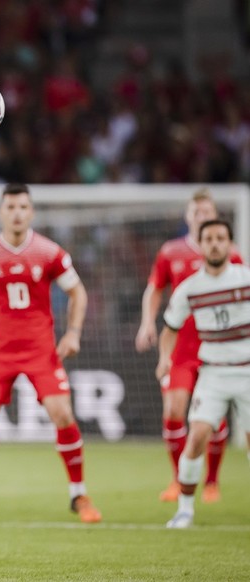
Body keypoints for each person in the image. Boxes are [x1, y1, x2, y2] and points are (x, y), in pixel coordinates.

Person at [0, 183, 102, 525]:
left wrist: (73, 333)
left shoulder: (49, 252)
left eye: (23, 207)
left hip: (40, 349)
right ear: (1, 212)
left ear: (31, 212)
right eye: (11, 207)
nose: (17, 213)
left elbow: (78, 292)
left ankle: (79, 494)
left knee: (62, 413)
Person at [135, 190, 241, 503]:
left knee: (215, 420)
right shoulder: (171, 252)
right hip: (180, 349)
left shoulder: (231, 254)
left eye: (207, 212)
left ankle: (211, 482)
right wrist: (146, 323)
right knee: (173, 412)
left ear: (215, 215)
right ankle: (178, 480)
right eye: (196, 213)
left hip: (216, 348)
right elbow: (154, 290)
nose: (202, 217)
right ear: (188, 217)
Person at [157, 219, 250, 528]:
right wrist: (164, 359)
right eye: (208, 238)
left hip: (247, 371)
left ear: (230, 244)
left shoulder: (245, 279)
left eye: (220, 238)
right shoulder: (189, 289)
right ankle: (185, 510)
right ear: (200, 243)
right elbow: (169, 329)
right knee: (196, 437)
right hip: (214, 373)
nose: (214, 243)